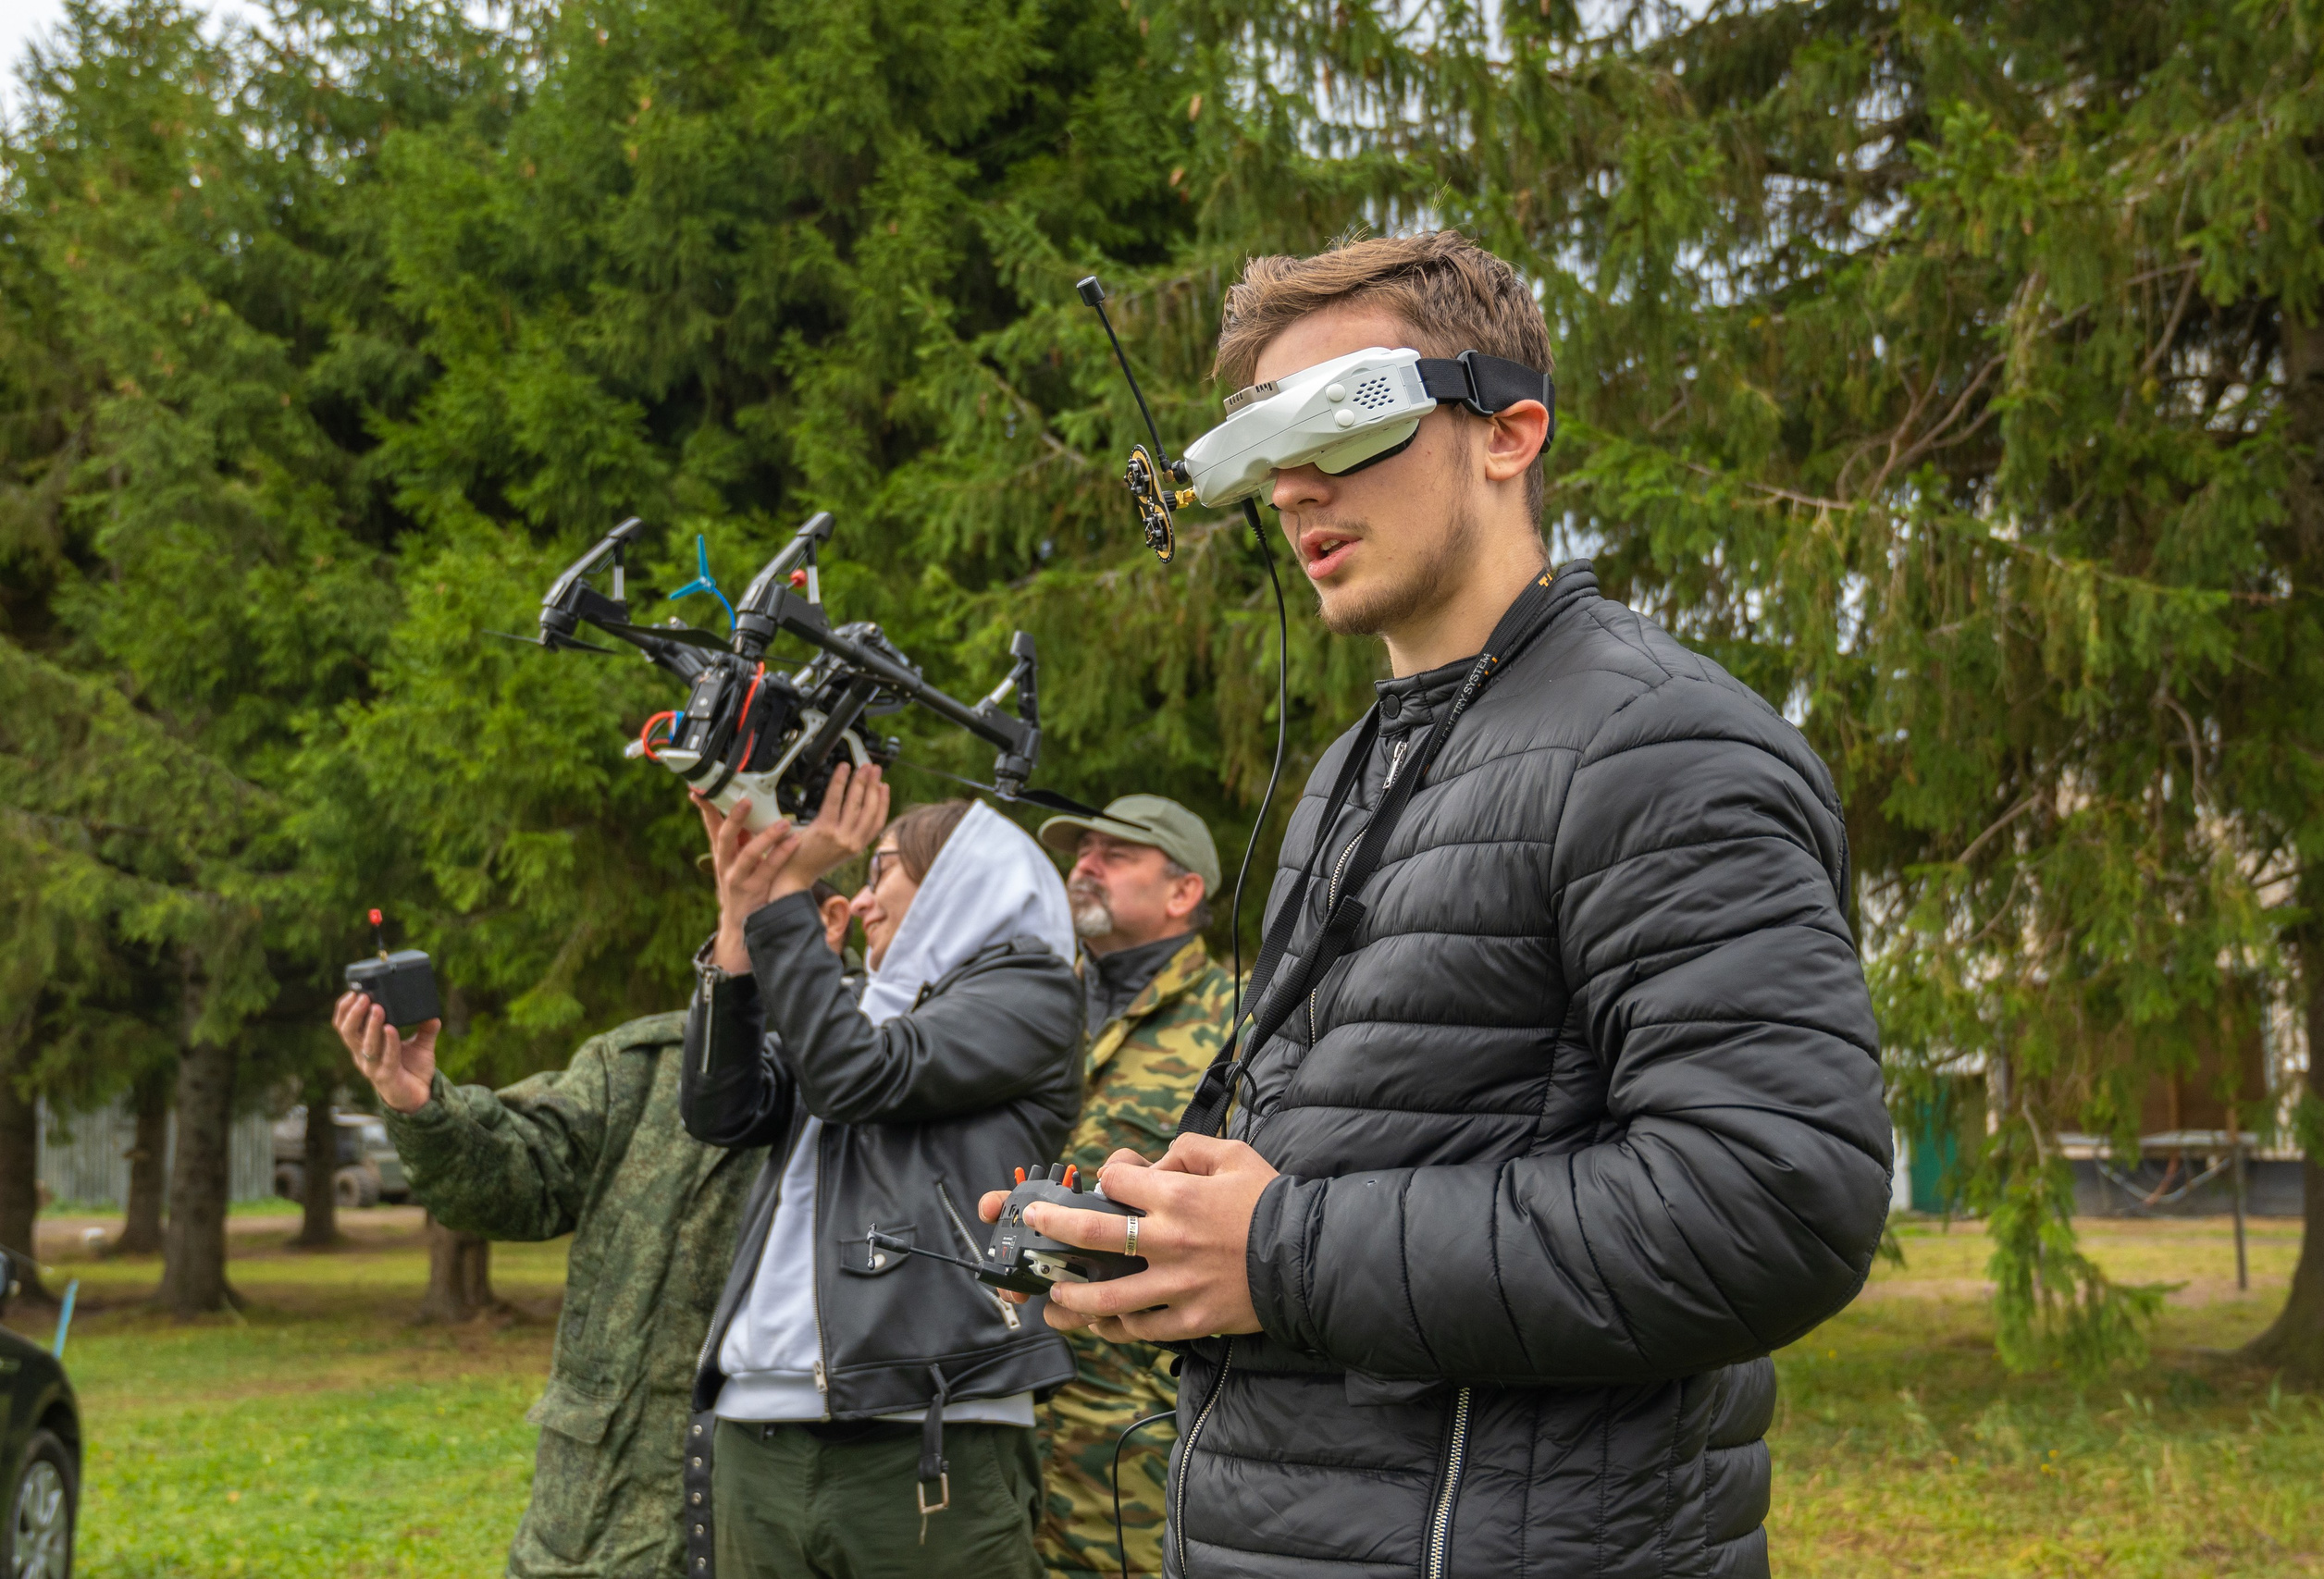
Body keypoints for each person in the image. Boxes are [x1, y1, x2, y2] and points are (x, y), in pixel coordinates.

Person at [988, 231, 1893, 1578]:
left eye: (1342, 425)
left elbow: (1773, 1204)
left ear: (1508, 433)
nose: (1293, 486)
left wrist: (1280, 1250)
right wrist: (1169, 1242)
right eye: (1257, 446)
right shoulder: (1363, 760)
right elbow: (1355, 1158)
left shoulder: (1660, 742)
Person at [328, 876, 851, 1579]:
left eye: (762, 885)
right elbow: (518, 1181)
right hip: (599, 1534)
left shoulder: (903, 1077)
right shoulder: (646, 1064)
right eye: (733, 887)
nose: (733, 910)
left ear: (835, 920)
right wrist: (416, 1099)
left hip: (780, 1531)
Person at [681, 767, 1083, 1579]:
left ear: (957, 883)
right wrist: (739, 923)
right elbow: (721, 1111)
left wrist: (791, 893)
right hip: (758, 1424)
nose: (859, 899)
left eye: (882, 869)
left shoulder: (1030, 992)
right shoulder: (856, 1005)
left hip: (928, 1432)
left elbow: (854, 1077)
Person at [1029, 796, 1236, 1577]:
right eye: (1081, 850)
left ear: (1183, 891)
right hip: (996, 1410)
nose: (1083, 865)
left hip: (1131, 1431)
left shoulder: (1238, 1022)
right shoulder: (1033, 1003)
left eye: (1114, 854)